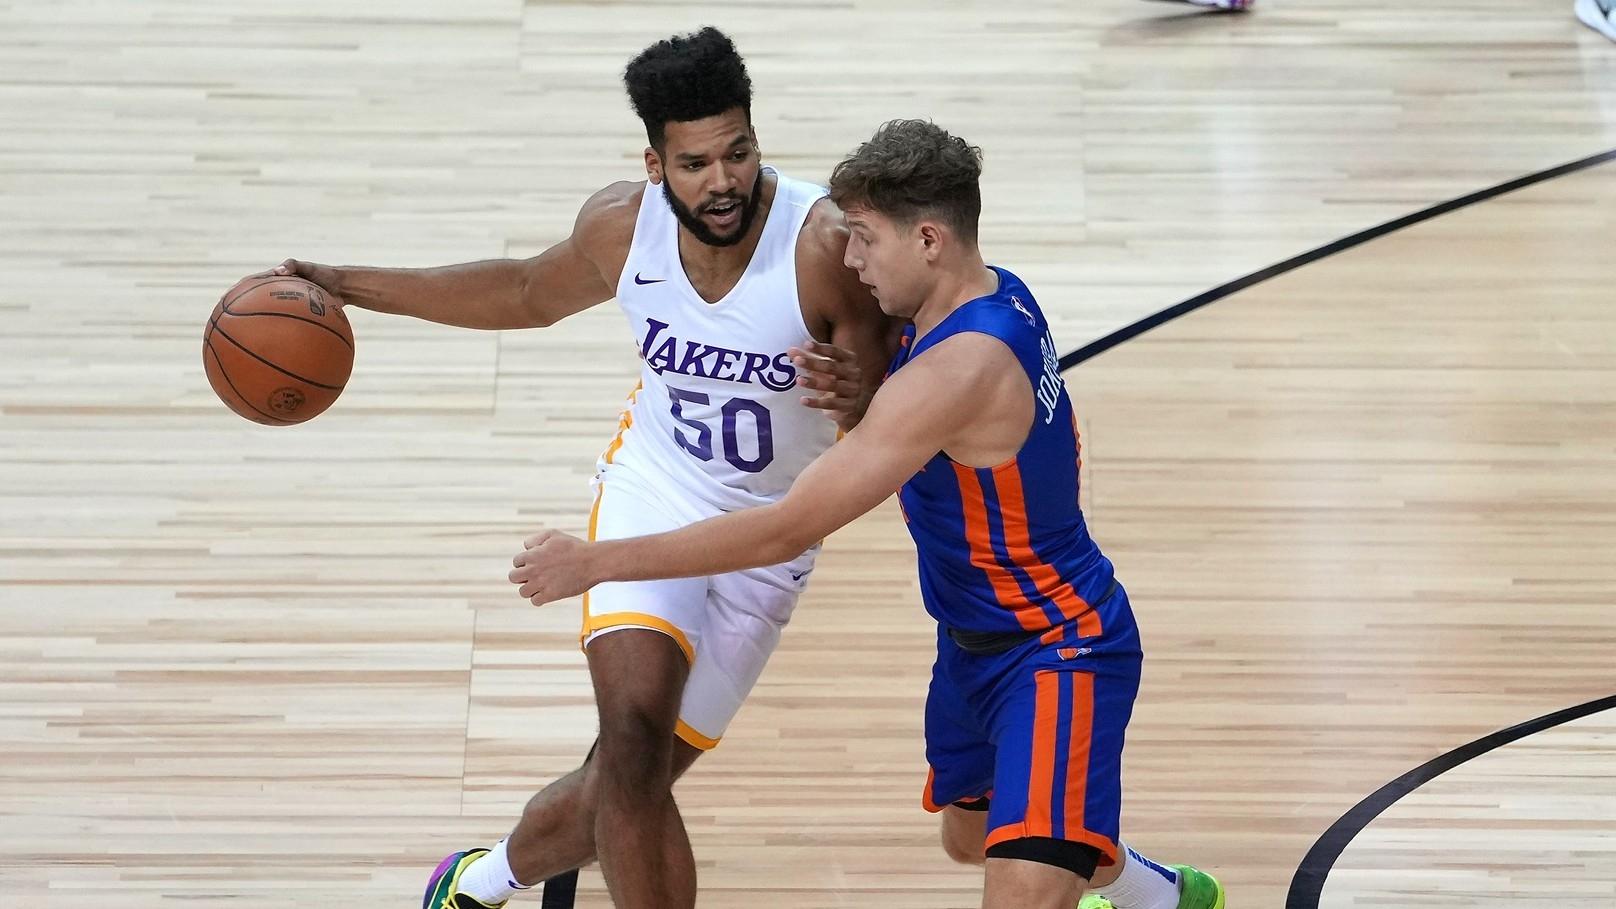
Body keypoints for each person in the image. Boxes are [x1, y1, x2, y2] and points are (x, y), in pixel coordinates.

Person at [508, 119, 1227, 909]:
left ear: (927, 240)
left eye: (863, 240)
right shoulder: (994, 292)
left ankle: (1125, 881)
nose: (848, 261)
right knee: (969, 835)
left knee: (1024, 885)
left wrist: (596, 561)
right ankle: (1154, 894)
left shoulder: (959, 369)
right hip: (973, 643)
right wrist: (861, 397)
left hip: (1060, 649)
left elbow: (786, 525)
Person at [257, 27, 895, 909]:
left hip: (770, 534)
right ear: (653, 162)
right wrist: (350, 283)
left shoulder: (826, 248)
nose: (722, 181)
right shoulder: (619, 229)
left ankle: (479, 879)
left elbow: (883, 428)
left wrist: (865, 390)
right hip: (656, 491)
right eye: (696, 162)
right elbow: (523, 291)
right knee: (631, 741)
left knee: (621, 785)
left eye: (739, 153)